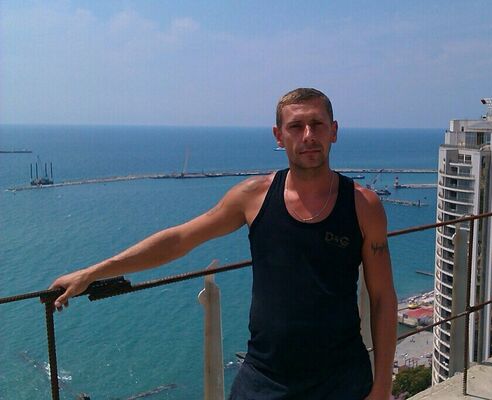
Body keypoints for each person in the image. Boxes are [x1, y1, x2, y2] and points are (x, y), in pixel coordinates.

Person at [49, 88, 398, 399]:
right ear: (278, 136)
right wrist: (92, 273)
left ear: (333, 131)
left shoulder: (363, 205)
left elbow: (382, 297)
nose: (308, 135)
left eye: (317, 124)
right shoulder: (253, 197)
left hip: (342, 379)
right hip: (266, 377)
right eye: (296, 126)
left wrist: (382, 386)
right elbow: (180, 239)